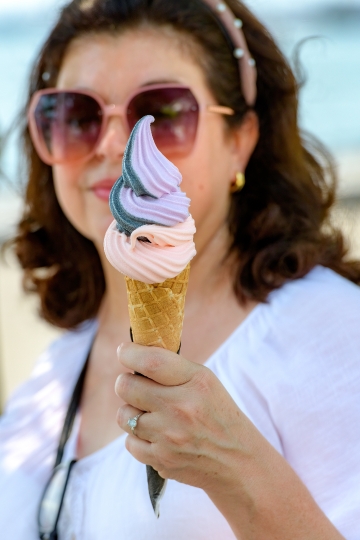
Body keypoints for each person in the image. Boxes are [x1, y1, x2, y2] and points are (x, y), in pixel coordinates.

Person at [0, 0, 359, 538]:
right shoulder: (54, 369)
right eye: (76, 115)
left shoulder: (328, 328)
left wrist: (242, 472)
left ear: (240, 140)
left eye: (164, 112)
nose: (113, 146)